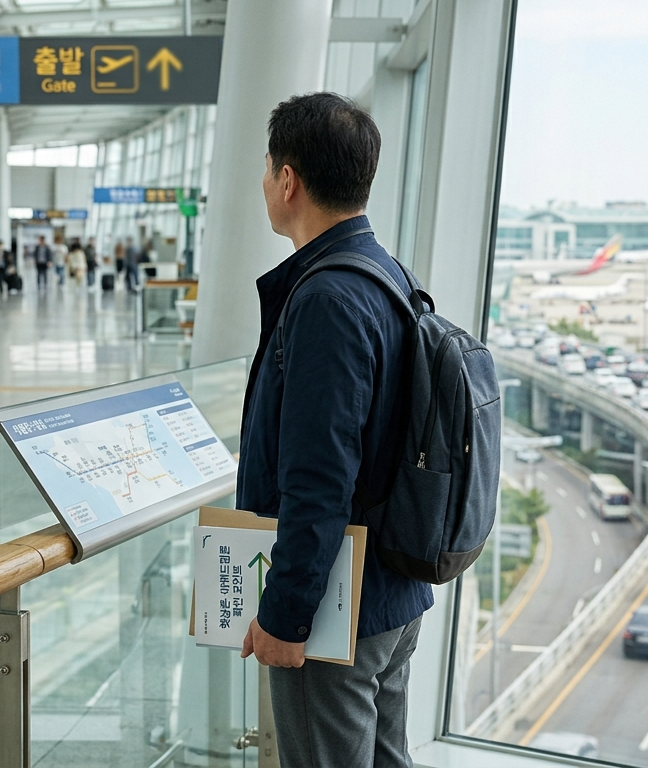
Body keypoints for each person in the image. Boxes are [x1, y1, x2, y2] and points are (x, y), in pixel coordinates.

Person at [236, 93, 428, 768]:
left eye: (267, 170)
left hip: (338, 609)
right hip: (391, 593)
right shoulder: (387, 275)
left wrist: (286, 615)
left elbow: (319, 478)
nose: (265, 184)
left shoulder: (325, 298)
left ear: (288, 179)